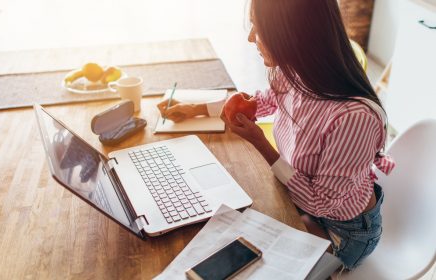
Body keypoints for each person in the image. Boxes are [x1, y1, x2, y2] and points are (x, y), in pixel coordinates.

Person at [157, 0, 395, 270]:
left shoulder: (354, 119)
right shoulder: (295, 71)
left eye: (258, 29)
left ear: (291, 34)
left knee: (255, 257)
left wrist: (260, 142)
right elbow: (263, 101)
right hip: (301, 203)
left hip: (342, 231)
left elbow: (319, 204)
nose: (250, 39)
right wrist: (195, 109)